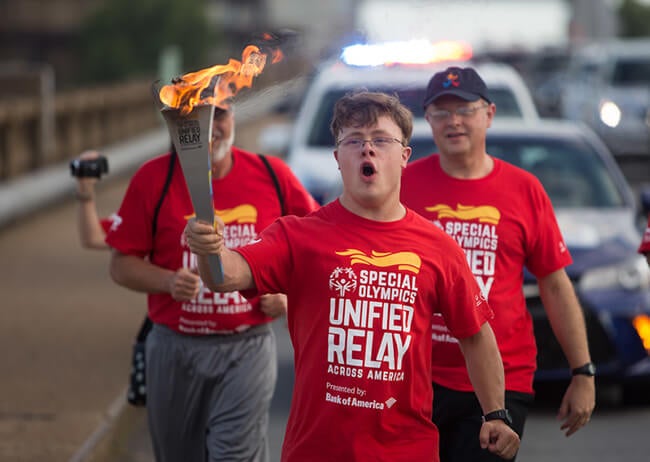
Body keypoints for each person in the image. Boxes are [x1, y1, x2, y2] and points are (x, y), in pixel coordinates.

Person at [184, 91, 520, 462]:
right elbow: (223, 277)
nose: (367, 150)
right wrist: (208, 249)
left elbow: (475, 334)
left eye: (380, 139)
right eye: (354, 141)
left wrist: (496, 414)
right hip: (316, 451)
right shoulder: (298, 235)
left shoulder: (438, 247)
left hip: (407, 451)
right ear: (338, 159)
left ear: (404, 156)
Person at [400, 66, 596, 461]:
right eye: (441, 112)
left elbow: (555, 284)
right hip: (413, 379)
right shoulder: (402, 185)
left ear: (488, 114)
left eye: (465, 109)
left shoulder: (524, 190)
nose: (453, 121)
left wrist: (583, 373)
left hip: (500, 379)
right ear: (428, 120)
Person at [105, 105, 319, 462]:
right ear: (177, 125)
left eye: (218, 115)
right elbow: (120, 265)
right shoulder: (153, 179)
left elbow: (315, 248)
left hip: (246, 347)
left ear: (234, 117)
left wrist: (286, 294)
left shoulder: (272, 175)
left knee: (235, 455)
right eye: (195, 118)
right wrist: (169, 280)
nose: (209, 128)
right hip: (174, 347)